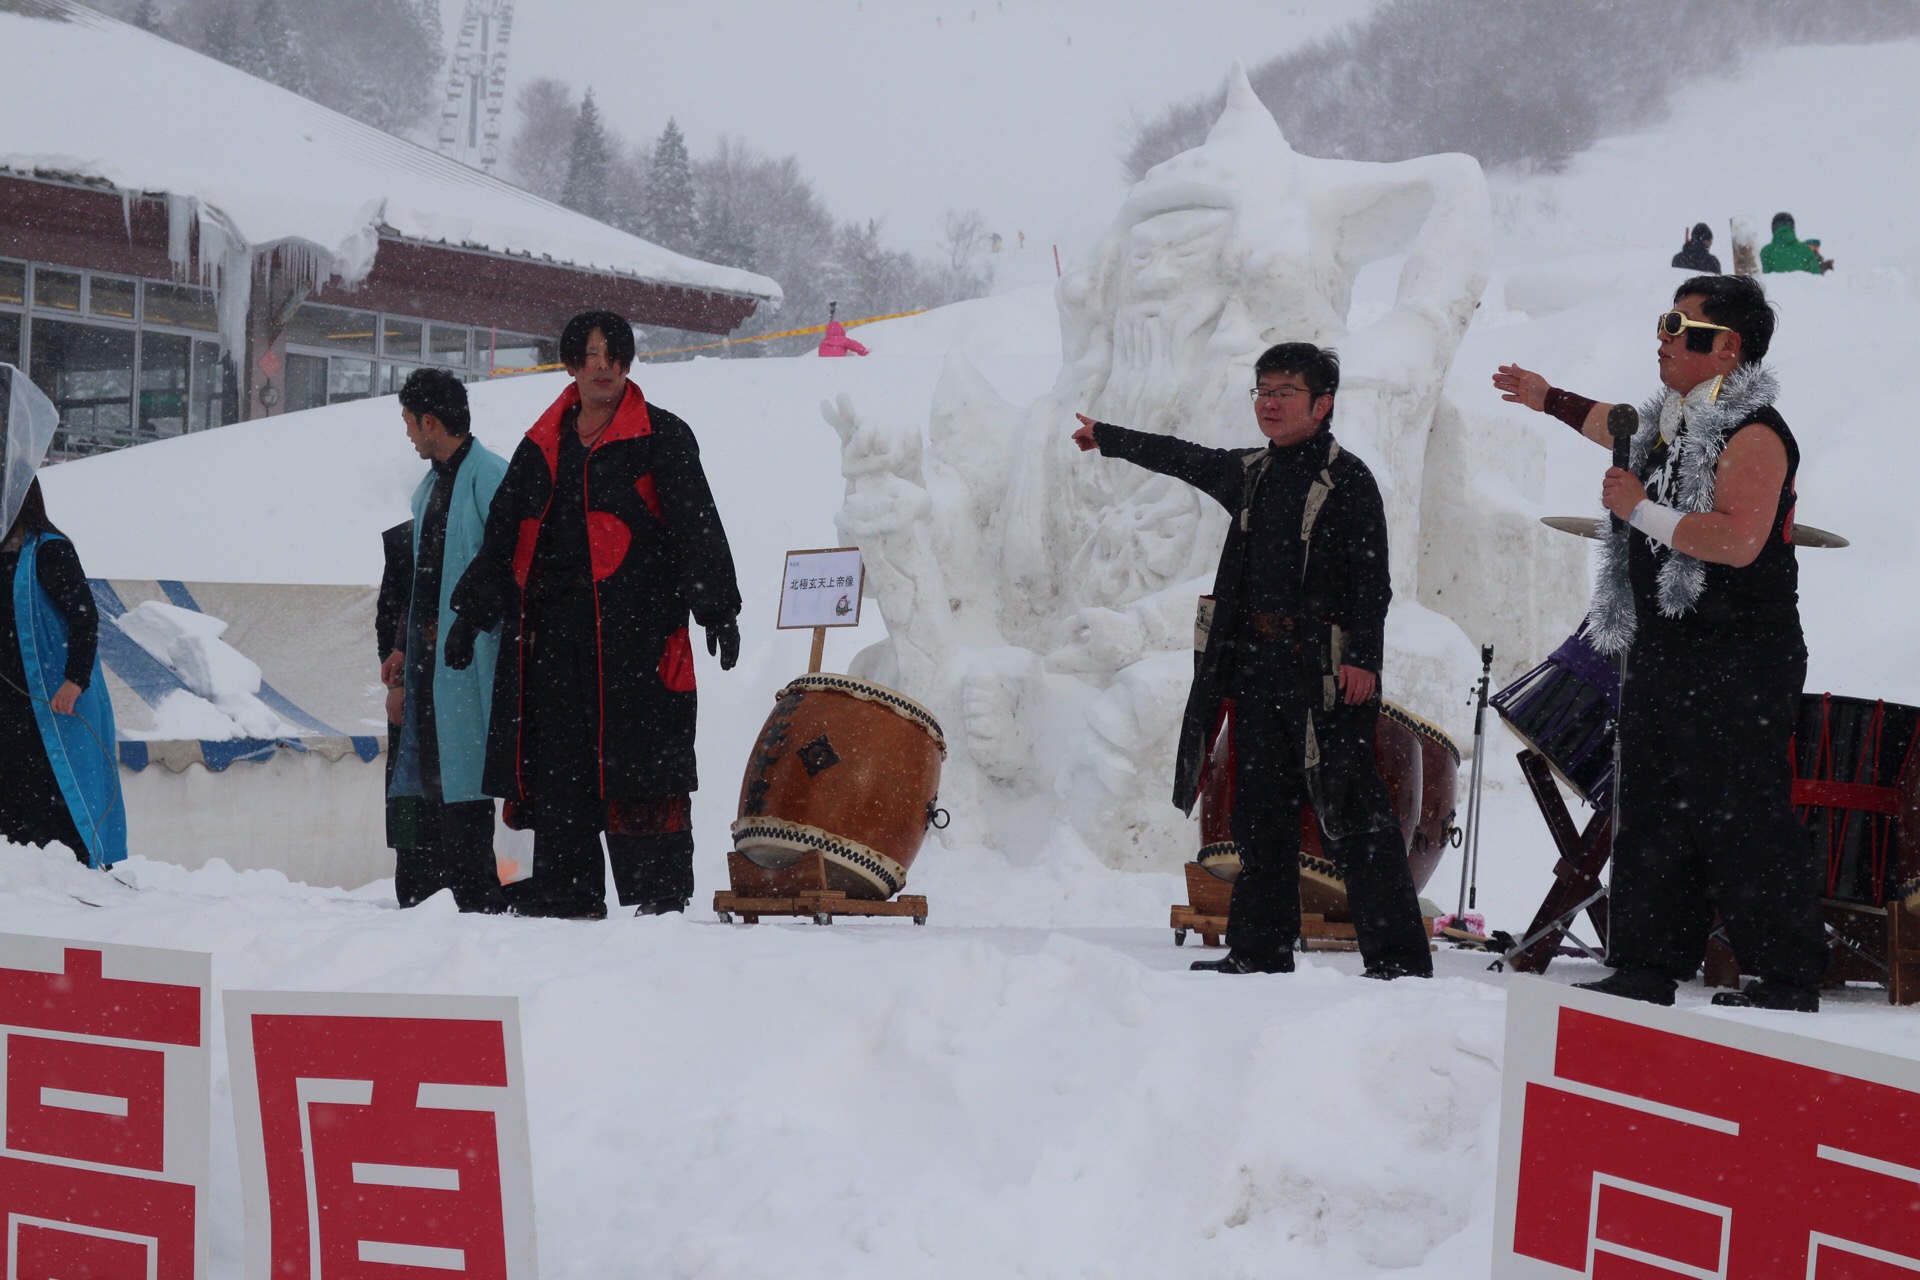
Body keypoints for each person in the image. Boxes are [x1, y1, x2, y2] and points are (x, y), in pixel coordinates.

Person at [1492, 273, 1825, 1012]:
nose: (1664, 337)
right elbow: (1613, 422)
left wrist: (1638, 510)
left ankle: (1786, 973)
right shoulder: (1671, 421)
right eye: (1664, 322)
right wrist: (1546, 397)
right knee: (1650, 805)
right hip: (1667, 643)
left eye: (1681, 326)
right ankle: (1646, 962)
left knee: (1739, 807)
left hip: (1742, 651)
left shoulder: (1756, 431)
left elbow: (1737, 540)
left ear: (1726, 348)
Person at [1071, 343, 1433, 979]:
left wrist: (1365, 661)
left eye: (1284, 392)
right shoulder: (1251, 472)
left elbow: (1371, 581)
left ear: (1322, 405)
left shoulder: (1349, 481)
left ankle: (1399, 961)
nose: (1268, 403)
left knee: (1355, 813)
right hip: (1258, 670)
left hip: (1326, 674)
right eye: (1262, 390)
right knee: (1257, 813)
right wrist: (1109, 437)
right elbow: (1184, 458)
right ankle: (1260, 950)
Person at [450, 310, 742, 920]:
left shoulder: (662, 436)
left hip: (638, 640)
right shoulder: (542, 445)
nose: (601, 364)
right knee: (560, 770)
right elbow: (502, 539)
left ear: (628, 363)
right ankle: (567, 893)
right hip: (553, 641)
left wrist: (717, 608)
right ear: (571, 365)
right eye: (589, 353)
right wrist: (470, 614)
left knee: (644, 766)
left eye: (613, 353)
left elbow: (696, 525)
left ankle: (658, 897)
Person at [384, 368, 509, 913]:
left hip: (474, 654)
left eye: (410, 423)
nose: (409, 434)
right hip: (427, 661)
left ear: (429, 421)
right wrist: (402, 646)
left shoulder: (492, 478)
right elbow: (417, 583)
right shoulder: (429, 489)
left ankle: (475, 895)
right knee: (424, 773)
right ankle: (424, 891)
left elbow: (509, 571)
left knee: (467, 776)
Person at [0, 470, 125, 869]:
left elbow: (83, 619)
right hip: (10, 700)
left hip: (54, 698)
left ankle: (71, 871)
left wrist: (75, 681)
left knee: (58, 785)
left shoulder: (50, 550)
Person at [377, 519, 418, 859]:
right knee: (408, 779)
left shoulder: (476, 531)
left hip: (459, 683)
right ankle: (415, 878)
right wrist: (399, 683)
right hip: (417, 681)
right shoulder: (408, 539)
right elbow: (391, 615)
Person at [1760, 212, 1827, 275]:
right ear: (1793, 227)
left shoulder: (1766, 252)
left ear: (1773, 228)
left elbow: (1761, 277)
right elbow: (1816, 277)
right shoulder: (1806, 250)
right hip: (1803, 287)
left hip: (1774, 287)